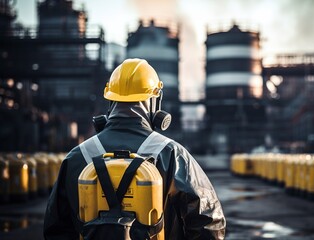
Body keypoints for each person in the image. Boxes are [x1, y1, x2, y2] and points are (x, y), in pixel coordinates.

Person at [44, 58, 226, 239]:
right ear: (155, 101)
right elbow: (210, 223)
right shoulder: (171, 154)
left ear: (111, 101)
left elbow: (56, 228)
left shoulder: (76, 157)